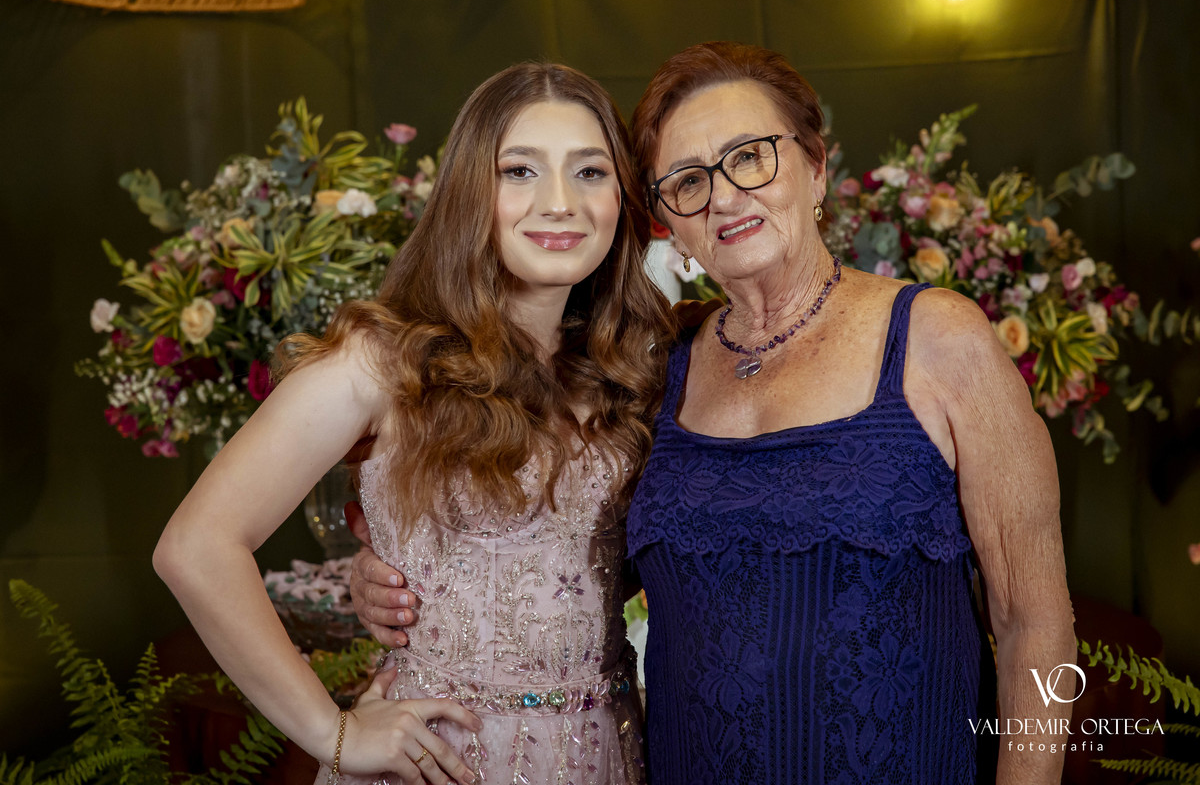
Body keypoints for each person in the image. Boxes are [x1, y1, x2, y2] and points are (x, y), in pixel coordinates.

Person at [350, 42, 1077, 785]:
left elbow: (1035, 624)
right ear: (669, 220)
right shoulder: (655, 365)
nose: (724, 198)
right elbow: (564, 554)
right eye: (689, 181)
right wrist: (403, 577)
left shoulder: (937, 338)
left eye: (750, 157)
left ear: (816, 167)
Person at [154, 61, 674, 785]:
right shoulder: (386, 358)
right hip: (442, 761)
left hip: (610, 755)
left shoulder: (634, 367)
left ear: (623, 197)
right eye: (519, 171)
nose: (560, 202)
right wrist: (331, 733)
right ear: (468, 191)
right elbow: (196, 545)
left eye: (590, 172)